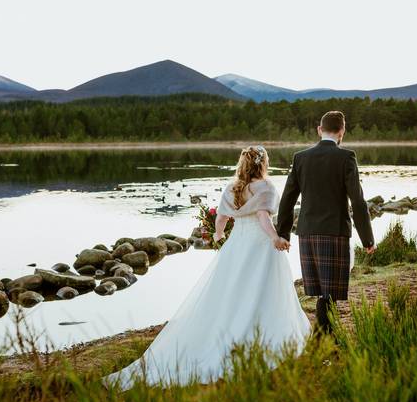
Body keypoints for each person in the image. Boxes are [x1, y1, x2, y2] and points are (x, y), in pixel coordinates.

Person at [104, 145, 310, 389]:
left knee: (232, 288)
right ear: (262, 164)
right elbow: (264, 218)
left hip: (237, 245)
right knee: (263, 288)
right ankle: (262, 331)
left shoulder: (233, 188)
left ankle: (231, 326)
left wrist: (219, 236)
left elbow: (221, 218)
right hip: (259, 245)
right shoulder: (265, 187)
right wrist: (275, 238)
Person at [276, 110, 376, 333]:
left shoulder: (300, 158)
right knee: (329, 291)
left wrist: (283, 233)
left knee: (323, 291)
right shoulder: (346, 157)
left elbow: (287, 199)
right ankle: (325, 335)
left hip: (308, 232)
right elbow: (358, 202)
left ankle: (324, 334)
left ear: (319, 130)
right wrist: (367, 239)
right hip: (334, 231)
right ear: (342, 132)